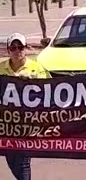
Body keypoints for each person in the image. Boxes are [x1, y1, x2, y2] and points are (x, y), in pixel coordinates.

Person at [0, 33, 51, 180]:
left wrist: (32, 83)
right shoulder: (1, 68)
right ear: (8, 50)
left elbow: (51, 92)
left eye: (20, 47)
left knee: (23, 162)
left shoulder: (36, 68)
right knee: (12, 160)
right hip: (7, 125)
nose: (17, 51)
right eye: (13, 48)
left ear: (26, 49)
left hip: (27, 125)